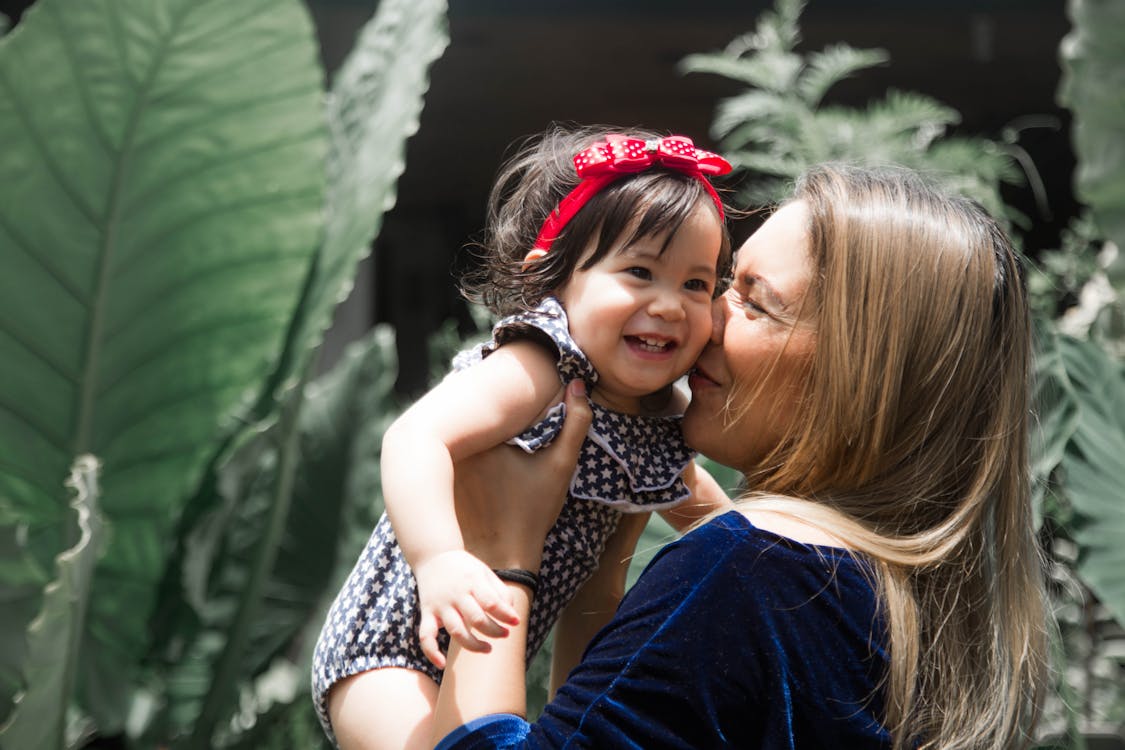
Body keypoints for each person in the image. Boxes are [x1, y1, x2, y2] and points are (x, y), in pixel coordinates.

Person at [427, 164, 1051, 750]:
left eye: (755, 301)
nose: (703, 319)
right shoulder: (903, 595)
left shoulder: (743, 573)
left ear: (858, 377)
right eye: (722, 284)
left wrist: (504, 554)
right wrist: (607, 560)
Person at [311, 124, 736, 749]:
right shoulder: (541, 364)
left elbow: (706, 532)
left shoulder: (658, 417)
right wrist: (439, 560)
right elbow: (415, 437)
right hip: (390, 646)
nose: (670, 305)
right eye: (640, 271)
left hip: (489, 647)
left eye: (696, 284)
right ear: (552, 281)